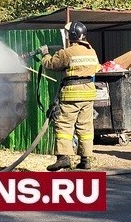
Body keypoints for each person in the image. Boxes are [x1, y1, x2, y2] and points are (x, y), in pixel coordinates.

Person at [40, 21, 101, 171]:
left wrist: (45, 53)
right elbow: (96, 68)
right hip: (88, 94)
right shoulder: (91, 52)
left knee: (64, 125)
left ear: (72, 35)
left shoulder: (67, 52)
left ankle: (63, 158)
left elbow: (50, 65)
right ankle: (85, 160)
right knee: (85, 127)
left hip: (72, 94)